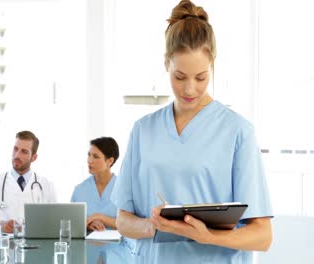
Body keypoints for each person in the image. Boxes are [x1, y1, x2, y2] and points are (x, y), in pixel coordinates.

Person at [110, 1, 273, 263]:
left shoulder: (237, 132)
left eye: (200, 77)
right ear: (166, 64)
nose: (189, 89)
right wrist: (156, 226)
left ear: (213, 66)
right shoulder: (143, 131)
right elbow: (123, 220)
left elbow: (262, 236)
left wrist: (205, 235)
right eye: (179, 76)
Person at [0, 130, 57, 232]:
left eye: (24, 151)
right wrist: (1, 224)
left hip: (36, 245)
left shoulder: (47, 186)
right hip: (5, 244)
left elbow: (55, 221)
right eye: (15, 149)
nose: (17, 155)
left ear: (34, 157)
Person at [71, 137, 120, 231]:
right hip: (87, 244)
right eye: (89, 155)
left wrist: (100, 217)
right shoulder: (80, 190)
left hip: (119, 244)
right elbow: (72, 222)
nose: (89, 160)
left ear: (110, 161)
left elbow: (130, 225)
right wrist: (87, 224)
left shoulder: (122, 189)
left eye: (95, 156)